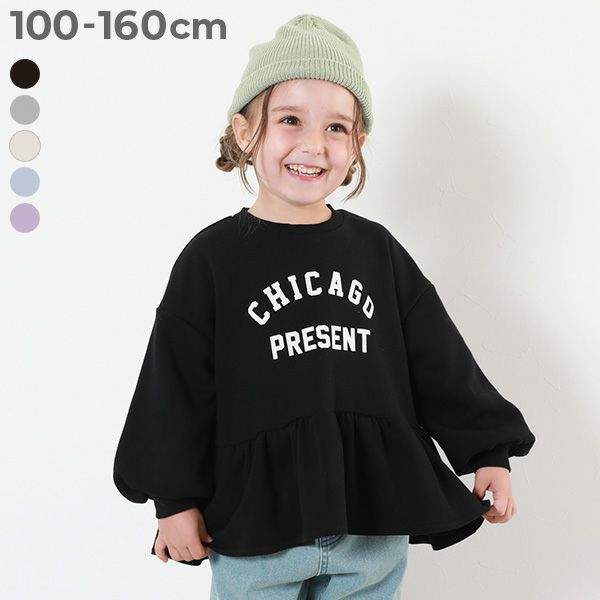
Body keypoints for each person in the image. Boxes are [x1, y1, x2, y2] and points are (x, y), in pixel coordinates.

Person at [113, 13, 536, 600]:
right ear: (245, 132)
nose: (314, 144)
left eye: (337, 127)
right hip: (256, 530)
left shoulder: (377, 252)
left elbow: (438, 361)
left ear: (357, 145)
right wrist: (174, 500)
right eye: (290, 120)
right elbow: (175, 386)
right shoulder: (212, 260)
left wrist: (488, 452)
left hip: (370, 522)